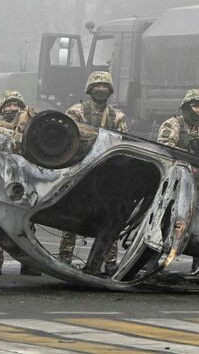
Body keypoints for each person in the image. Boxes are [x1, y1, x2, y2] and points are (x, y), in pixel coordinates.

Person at [59, 71, 128, 275]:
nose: (101, 89)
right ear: (90, 89)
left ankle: (110, 262)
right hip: (80, 171)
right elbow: (67, 140)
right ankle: (65, 258)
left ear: (110, 90)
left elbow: (124, 144)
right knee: (71, 217)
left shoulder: (118, 117)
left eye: (104, 86)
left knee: (110, 218)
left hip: (108, 176)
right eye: (97, 86)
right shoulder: (76, 112)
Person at [157, 88, 199, 274]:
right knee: (164, 223)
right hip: (172, 184)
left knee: (198, 225)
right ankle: (153, 260)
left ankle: (198, 264)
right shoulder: (172, 125)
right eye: (195, 106)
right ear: (186, 106)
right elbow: (165, 150)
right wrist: (189, 157)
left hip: (194, 185)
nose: (198, 111)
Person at [0, 90, 42, 276]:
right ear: (2, 108)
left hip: (24, 180)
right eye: (8, 105)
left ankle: (29, 263)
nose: (12, 108)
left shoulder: (30, 126)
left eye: (16, 105)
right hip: (0, 179)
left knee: (26, 223)